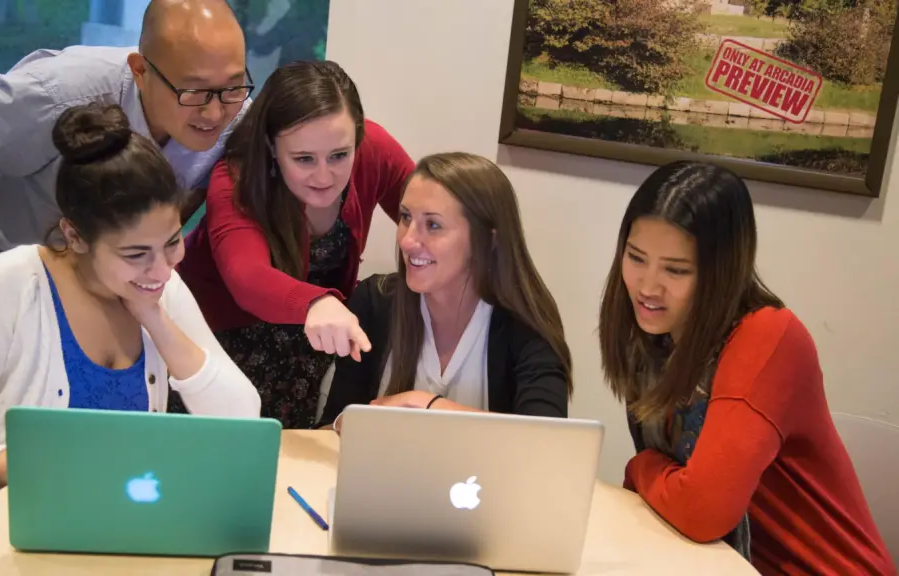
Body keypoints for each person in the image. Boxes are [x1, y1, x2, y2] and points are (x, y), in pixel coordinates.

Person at [0, 103, 260, 575]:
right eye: (136, 253)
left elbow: (242, 416)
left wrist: (155, 319)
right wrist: (35, 466)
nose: (162, 268)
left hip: (106, 541)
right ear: (75, 236)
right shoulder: (9, 286)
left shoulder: (157, 286)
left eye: (173, 242)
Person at [598, 161, 894, 575]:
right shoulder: (647, 336)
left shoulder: (768, 337)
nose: (648, 286)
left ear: (723, 271)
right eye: (636, 257)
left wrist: (641, 467)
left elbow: (702, 511)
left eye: (676, 270)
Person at [0, 0, 253, 321]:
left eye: (233, 87)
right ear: (139, 71)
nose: (214, 112)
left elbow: (189, 188)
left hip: (108, 299)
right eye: (193, 92)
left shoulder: (236, 115)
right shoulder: (58, 93)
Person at [177, 60, 415, 428]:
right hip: (217, 349)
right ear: (272, 146)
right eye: (303, 159)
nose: (324, 175)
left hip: (306, 351)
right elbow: (247, 276)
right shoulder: (235, 179)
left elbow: (429, 206)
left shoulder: (373, 150)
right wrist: (316, 303)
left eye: (340, 155)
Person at [316, 152, 572, 431]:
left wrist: (425, 405)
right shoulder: (375, 302)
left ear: (487, 240)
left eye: (433, 225)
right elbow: (329, 431)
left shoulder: (525, 321)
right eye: (405, 217)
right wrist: (347, 423)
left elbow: (547, 439)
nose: (408, 240)